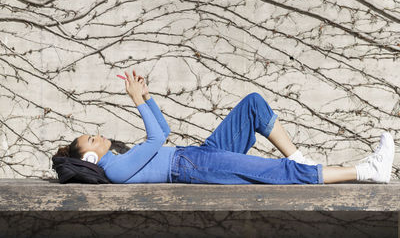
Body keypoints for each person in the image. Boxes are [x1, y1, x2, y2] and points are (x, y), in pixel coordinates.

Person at [53, 69, 395, 184]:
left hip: (199, 155)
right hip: (194, 166)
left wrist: (147, 96)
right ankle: (366, 170)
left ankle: (303, 159)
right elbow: (158, 137)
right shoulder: (115, 170)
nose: (98, 135)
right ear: (90, 159)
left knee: (252, 105)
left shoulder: (118, 160)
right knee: (277, 172)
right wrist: (136, 101)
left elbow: (165, 130)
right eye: (91, 139)